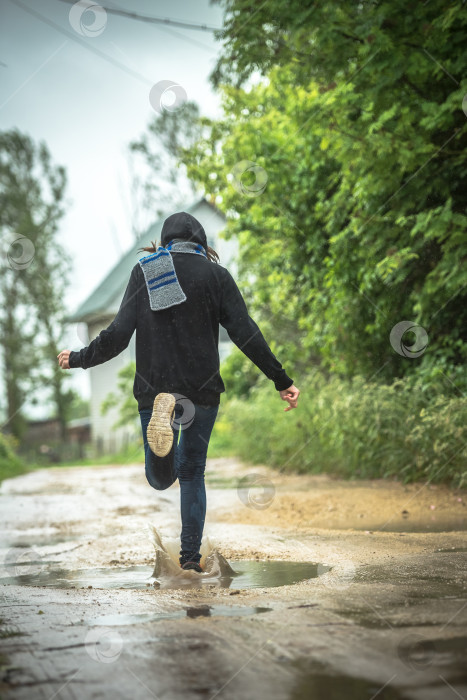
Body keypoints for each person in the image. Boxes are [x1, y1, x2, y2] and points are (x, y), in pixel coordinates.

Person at [58, 211, 300, 573]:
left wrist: (79, 358)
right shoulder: (217, 276)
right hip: (201, 392)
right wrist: (281, 380)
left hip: (155, 389)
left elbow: (118, 335)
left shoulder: (148, 270)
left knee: (161, 479)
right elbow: (245, 332)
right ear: (203, 244)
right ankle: (190, 560)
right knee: (192, 473)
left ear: (166, 241)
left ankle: (162, 441)